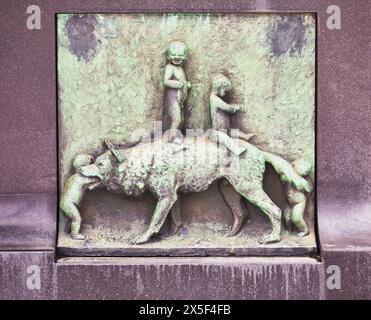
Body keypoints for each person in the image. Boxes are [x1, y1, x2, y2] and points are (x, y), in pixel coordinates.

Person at [59, 153, 100, 240]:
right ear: (83, 169)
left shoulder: (74, 177)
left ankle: (68, 230)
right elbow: (93, 180)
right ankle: (75, 234)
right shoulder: (80, 178)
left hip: (67, 203)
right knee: (76, 218)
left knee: (72, 217)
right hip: (68, 204)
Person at [163, 41, 191, 143]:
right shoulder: (170, 68)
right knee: (176, 118)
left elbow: (182, 80)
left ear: (185, 56)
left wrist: (186, 84)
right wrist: (178, 84)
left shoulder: (180, 69)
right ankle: (172, 137)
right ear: (169, 56)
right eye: (174, 55)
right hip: (173, 98)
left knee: (181, 118)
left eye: (180, 55)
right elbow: (165, 81)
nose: (176, 57)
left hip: (180, 100)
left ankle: (177, 134)